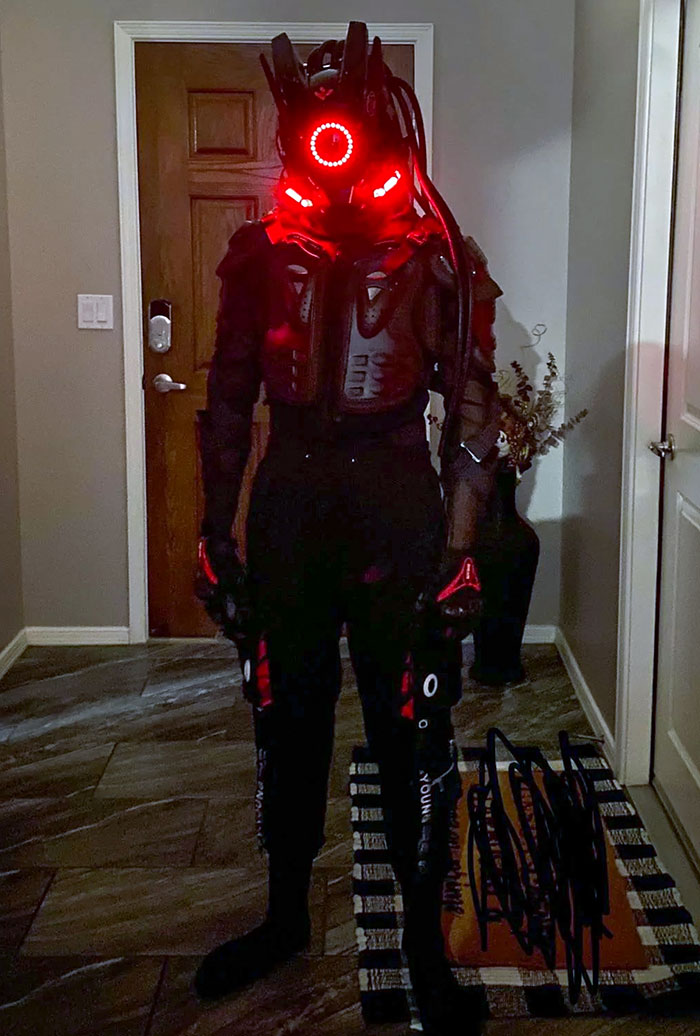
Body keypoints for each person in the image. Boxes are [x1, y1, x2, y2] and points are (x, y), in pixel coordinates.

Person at [193, 23, 502, 1035]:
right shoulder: (258, 254)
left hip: (395, 506)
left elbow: (471, 410)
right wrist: (214, 536)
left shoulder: (440, 256)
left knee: (412, 727)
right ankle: (285, 915)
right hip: (290, 502)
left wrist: (459, 554)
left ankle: (422, 945)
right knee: (286, 718)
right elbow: (227, 399)